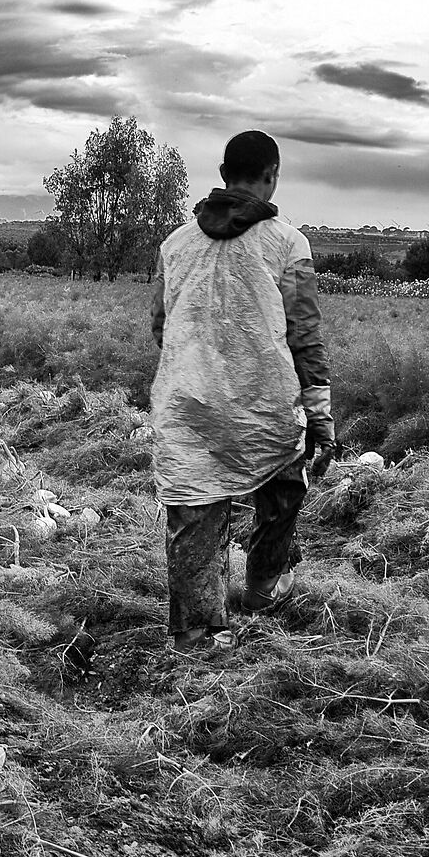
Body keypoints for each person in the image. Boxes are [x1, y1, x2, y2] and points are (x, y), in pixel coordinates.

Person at [150, 130, 335, 652]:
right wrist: (319, 409)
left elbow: (161, 327)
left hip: (189, 402)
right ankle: (262, 586)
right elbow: (304, 332)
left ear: (223, 173)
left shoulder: (175, 245)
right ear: (272, 176)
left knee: (195, 505)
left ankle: (195, 631)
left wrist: (196, 369)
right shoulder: (288, 243)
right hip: (263, 403)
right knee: (283, 483)